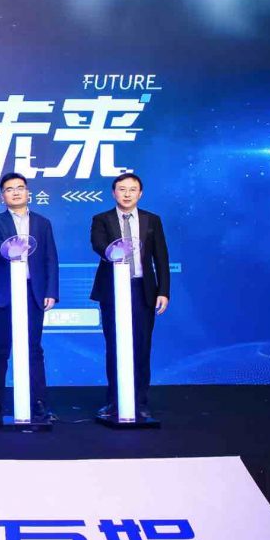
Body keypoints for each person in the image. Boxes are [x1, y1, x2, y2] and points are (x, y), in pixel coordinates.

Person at [91, 173, 170, 419]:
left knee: (142, 346)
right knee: (115, 346)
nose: (127, 194)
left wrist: (163, 291)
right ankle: (115, 401)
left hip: (142, 289)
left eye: (132, 189)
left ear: (140, 193)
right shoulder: (101, 219)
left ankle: (140, 401)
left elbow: (161, 257)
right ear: (113, 193)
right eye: (122, 189)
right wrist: (115, 252)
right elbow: (98, 245)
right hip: (113, 290)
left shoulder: (152, 220)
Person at [0, 172, 60, 423]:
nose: (15, 192)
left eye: (20, 188)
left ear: (28, 192)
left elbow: (50, 258)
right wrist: (13, 247)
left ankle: (39, 402)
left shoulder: (42, 223)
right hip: (3, 294)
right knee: (0, 348)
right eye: (9, 189)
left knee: (33, 349)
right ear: (2, 195)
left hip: (33, 292)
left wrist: (51, 291)